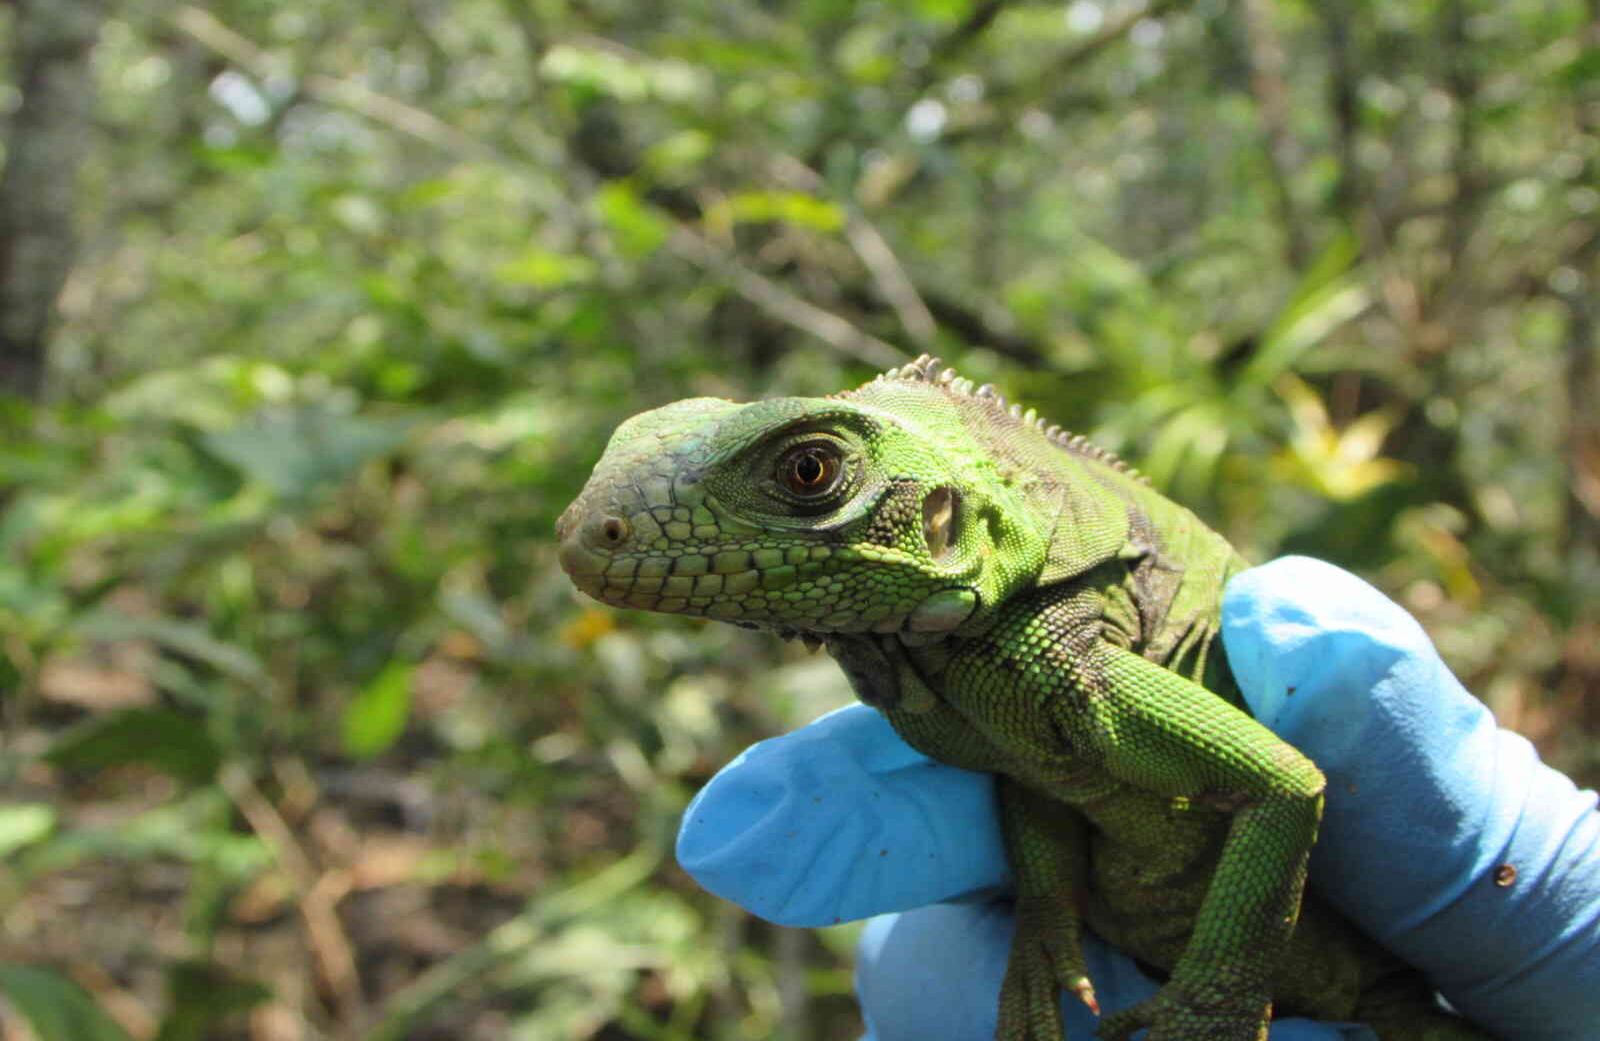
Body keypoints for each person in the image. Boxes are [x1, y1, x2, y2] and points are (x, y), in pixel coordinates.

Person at [676, 558, 1600, 1040]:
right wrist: (1046, 911)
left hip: (1376, 989)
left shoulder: (1055, 641)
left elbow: (1283, 784)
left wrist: (1218, 999)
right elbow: (1037, 769)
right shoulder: (982, 677)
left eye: (808, 476)